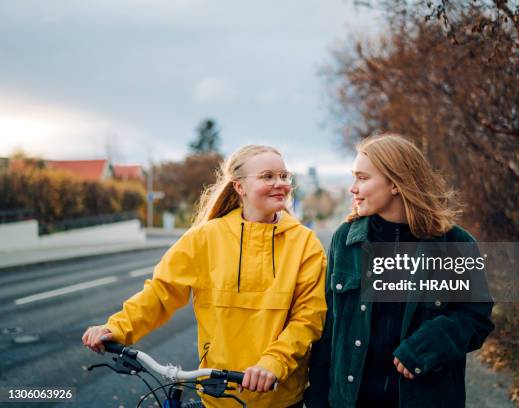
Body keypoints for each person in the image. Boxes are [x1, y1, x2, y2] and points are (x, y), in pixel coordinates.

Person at [82, 145, 327, 408]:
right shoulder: (205, 238)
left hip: (280, 396)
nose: (280, 183)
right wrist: (117, 327)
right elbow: (160, 293)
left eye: (284, 176)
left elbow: (308, 317)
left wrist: (273, 363)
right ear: (240, 187)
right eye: (268, 176)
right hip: (216, 393)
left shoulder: (305, 243)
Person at [305, 134, 495, 408]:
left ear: (395, 183)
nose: (352, 188)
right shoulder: (345, 240)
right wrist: (318, 401)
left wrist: (426, 346)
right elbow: (329, 330)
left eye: (362, 178)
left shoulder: (456, 244)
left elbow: (477, 318)